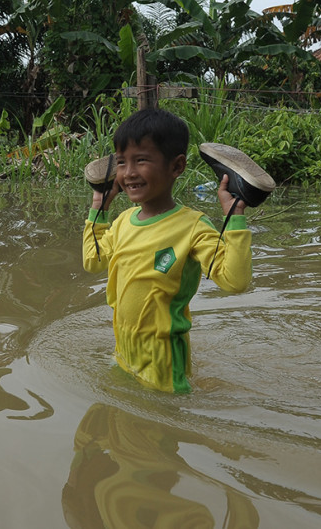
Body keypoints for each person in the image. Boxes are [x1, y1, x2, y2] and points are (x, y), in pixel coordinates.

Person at [82, 109, 252, 393]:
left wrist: (234, 217)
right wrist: (99, 207)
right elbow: (93, 260)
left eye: (141, 160)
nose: (129, 173)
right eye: (122, 163)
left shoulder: (192, 226)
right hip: (123, 351)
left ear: (176, 167)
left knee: (160, 428)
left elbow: (235, 281)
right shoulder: (124, 221)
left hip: (164, 363)